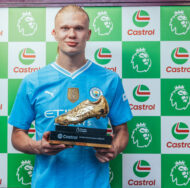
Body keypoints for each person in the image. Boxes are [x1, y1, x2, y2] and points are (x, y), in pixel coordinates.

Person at [9, 5, 132, 188]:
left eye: (79, 28)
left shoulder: (110, 80)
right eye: (65, 28)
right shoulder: (33, 81)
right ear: (54, 32)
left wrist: (114, 147)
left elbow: (122, 131)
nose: (72, 34)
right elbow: (17, 135)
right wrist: (38, 147)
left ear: (88, 34)